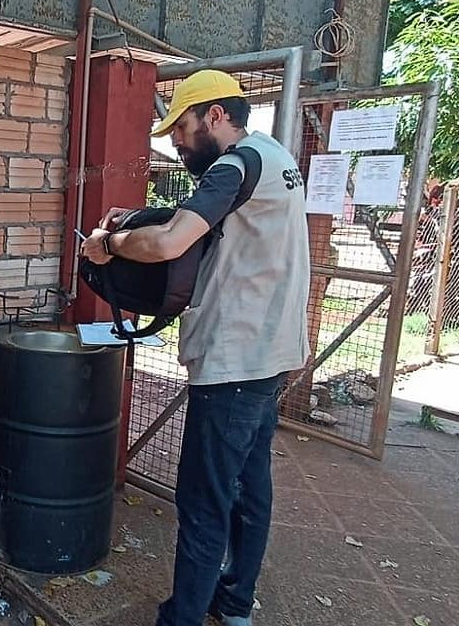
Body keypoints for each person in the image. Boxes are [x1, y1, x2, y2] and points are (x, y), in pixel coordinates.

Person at [80, 70, 311, 626]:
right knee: (250, 487)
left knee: (204, 501)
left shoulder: (233, 165)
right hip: (273, 352)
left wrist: (107, 245)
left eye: (181, 128)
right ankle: (234, 604)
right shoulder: (276, 157)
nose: (176, 142)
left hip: (235, 359)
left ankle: (181, 617)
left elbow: (168, 241)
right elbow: (212, 235)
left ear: (213, 115)